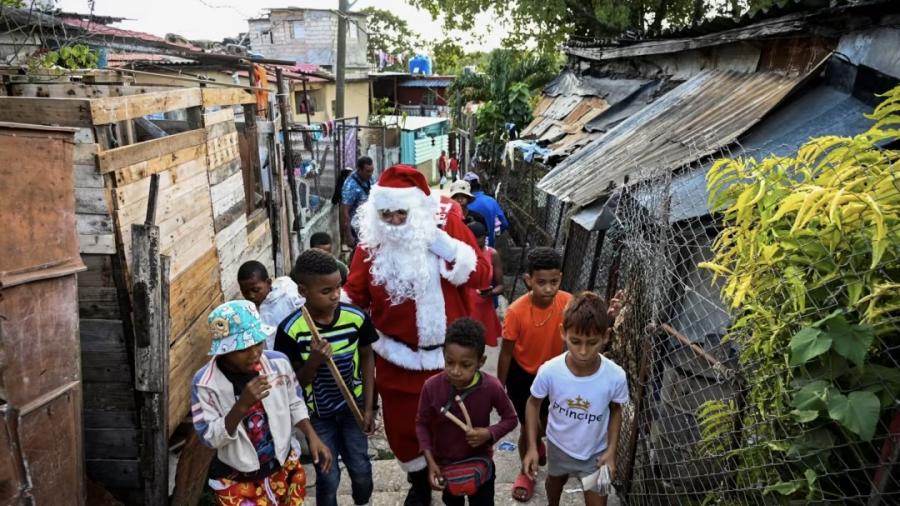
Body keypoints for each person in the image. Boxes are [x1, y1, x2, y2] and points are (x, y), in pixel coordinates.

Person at [343, 164, 491, 505]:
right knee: (405, 433)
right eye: (386, 214)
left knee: (457, 430)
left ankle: (456, 486)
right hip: (395, 361)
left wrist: (447, 248)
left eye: (401, 213)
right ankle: (419, 485)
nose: (394, 221)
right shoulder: (371, 244)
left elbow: (482, 275)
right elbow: (353, 296)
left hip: (451, 362)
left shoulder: (447, 223)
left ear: (418, 209)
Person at [191, 300, 333, 505]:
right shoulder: (205, 384)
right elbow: (209, 438)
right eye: (243, 349)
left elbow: (294, 402)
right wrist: (241, 407)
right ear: (223, 350)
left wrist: (312, 436)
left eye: (258, 343)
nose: (255, 353)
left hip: (284, 467)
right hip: (238, 481)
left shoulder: (278, 363)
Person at [274, 249, 376, 506]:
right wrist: (314, 362)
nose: (335, 296)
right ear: (303, 291)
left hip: (353, 410)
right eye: (326, 291)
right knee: (328, 477)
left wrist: (369, 407)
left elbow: (367, 358)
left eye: (338, 287)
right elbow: (296, 384)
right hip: (318, 416)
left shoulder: (356, 318)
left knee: (362, 470)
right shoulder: (290, 330)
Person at [522, 292, 629, 506]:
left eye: (592, 343)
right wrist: (532, 446)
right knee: (554, 483)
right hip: (558, 445)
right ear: (563, 332)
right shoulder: (550, 371)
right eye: (575, 341)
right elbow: (533, 403)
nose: (583, 351)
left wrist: (611, 451)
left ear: (606, 336)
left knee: (599, 501)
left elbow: (616, 410)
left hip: (597, 453)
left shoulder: (616, 376)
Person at [416, 318, 518, 506]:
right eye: (449, 362)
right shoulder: (431, 387)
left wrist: (489, 433)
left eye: (465, 365)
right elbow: (421, 424)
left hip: (480, 464)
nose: (455, 371)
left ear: (481, 362)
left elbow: (511, 418)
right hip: (447, 465)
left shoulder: (491, 387)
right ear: (443, 355)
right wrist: (431, 463)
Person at [497, 247, 572, 502]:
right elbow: (506, 353)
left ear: (560, 278)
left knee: (543, 423)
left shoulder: (568, 302)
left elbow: (587, 324)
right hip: (523, 377)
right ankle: (526, 471)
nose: (549, 289)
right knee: (529, 427)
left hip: (553, 375)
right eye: (541, 283)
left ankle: (536, 444)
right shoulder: (516, 312)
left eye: (554, 282)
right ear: (529, 280)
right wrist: (500, 387)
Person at [238, 260, 304, 349]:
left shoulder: (288, 298)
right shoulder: (246, 311)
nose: (251, 296)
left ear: (268, 283)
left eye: (256, 290)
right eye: (245, 292)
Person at [466, 222, 503, 347]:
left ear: (485, 237)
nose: (475, 241)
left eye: (478, 237)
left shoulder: (492, 254)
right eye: (471, 237)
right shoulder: (461, 253)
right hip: (464, 303)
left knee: (479, 343)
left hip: (484, 305)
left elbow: (501, 285)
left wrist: (491, 292)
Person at [340, 156, 375, 249]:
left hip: (369, 223)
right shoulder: (350, 185)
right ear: (359, 170)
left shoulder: (369, 178)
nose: (371, 174)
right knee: (360, 253)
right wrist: (348, 236)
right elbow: (344, 212)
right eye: (368, 171)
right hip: (357, 227)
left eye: (372, 171)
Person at [466, 178, 508, 247]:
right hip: (489, 248)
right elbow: (504, 224)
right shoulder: (492, 201)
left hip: (469, 249)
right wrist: (494, 235)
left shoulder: (465, 206)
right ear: (479, 187)